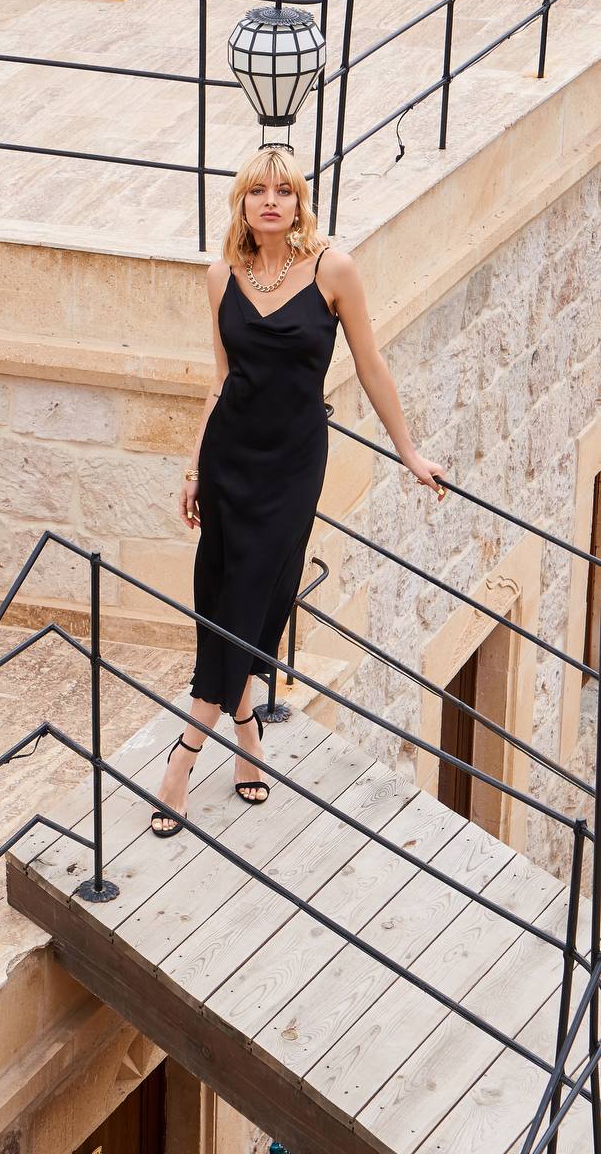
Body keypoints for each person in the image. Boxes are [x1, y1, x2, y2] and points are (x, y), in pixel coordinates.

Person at [149, 146, 448, 836]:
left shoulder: (330, 269)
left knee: (260, 592)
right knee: (222, 599)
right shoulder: (220, 276)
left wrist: (409, 453)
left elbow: (370, 365)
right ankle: (246, 729)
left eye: (284, 191)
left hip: (290, 465)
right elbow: (220, 381)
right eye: (258, 191)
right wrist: (194, 469)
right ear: (242, 204)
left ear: (298, 202)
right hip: (229, 460)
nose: (271, 202)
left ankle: (182, 757)